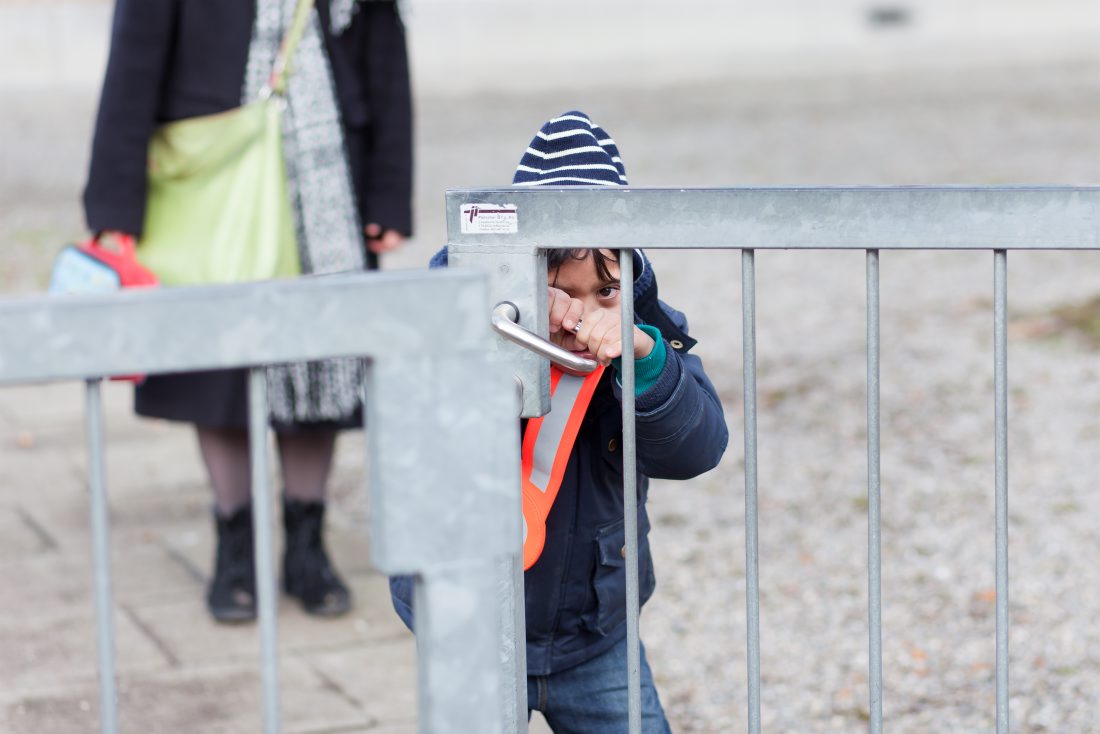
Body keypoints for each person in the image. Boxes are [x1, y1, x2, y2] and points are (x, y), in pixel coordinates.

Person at [391, 111, 728, 732]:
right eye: (563, 291)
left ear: (634, 279)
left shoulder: (647, 342)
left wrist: (647, 360)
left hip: (594, 634)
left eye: (606, 291)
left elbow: (699, 447)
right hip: (470, 633)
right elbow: (416, 432)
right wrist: (498, 335)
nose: (584, 315)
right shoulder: (462, 325)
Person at [82, 0, 413, 622]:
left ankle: (306, 543)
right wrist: (115, 208)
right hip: (214, 174)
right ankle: (235, 542)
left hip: (329, 181)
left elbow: (384, 47)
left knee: (320, 354)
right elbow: (133, 59)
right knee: (222, 368)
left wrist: (390, 192)